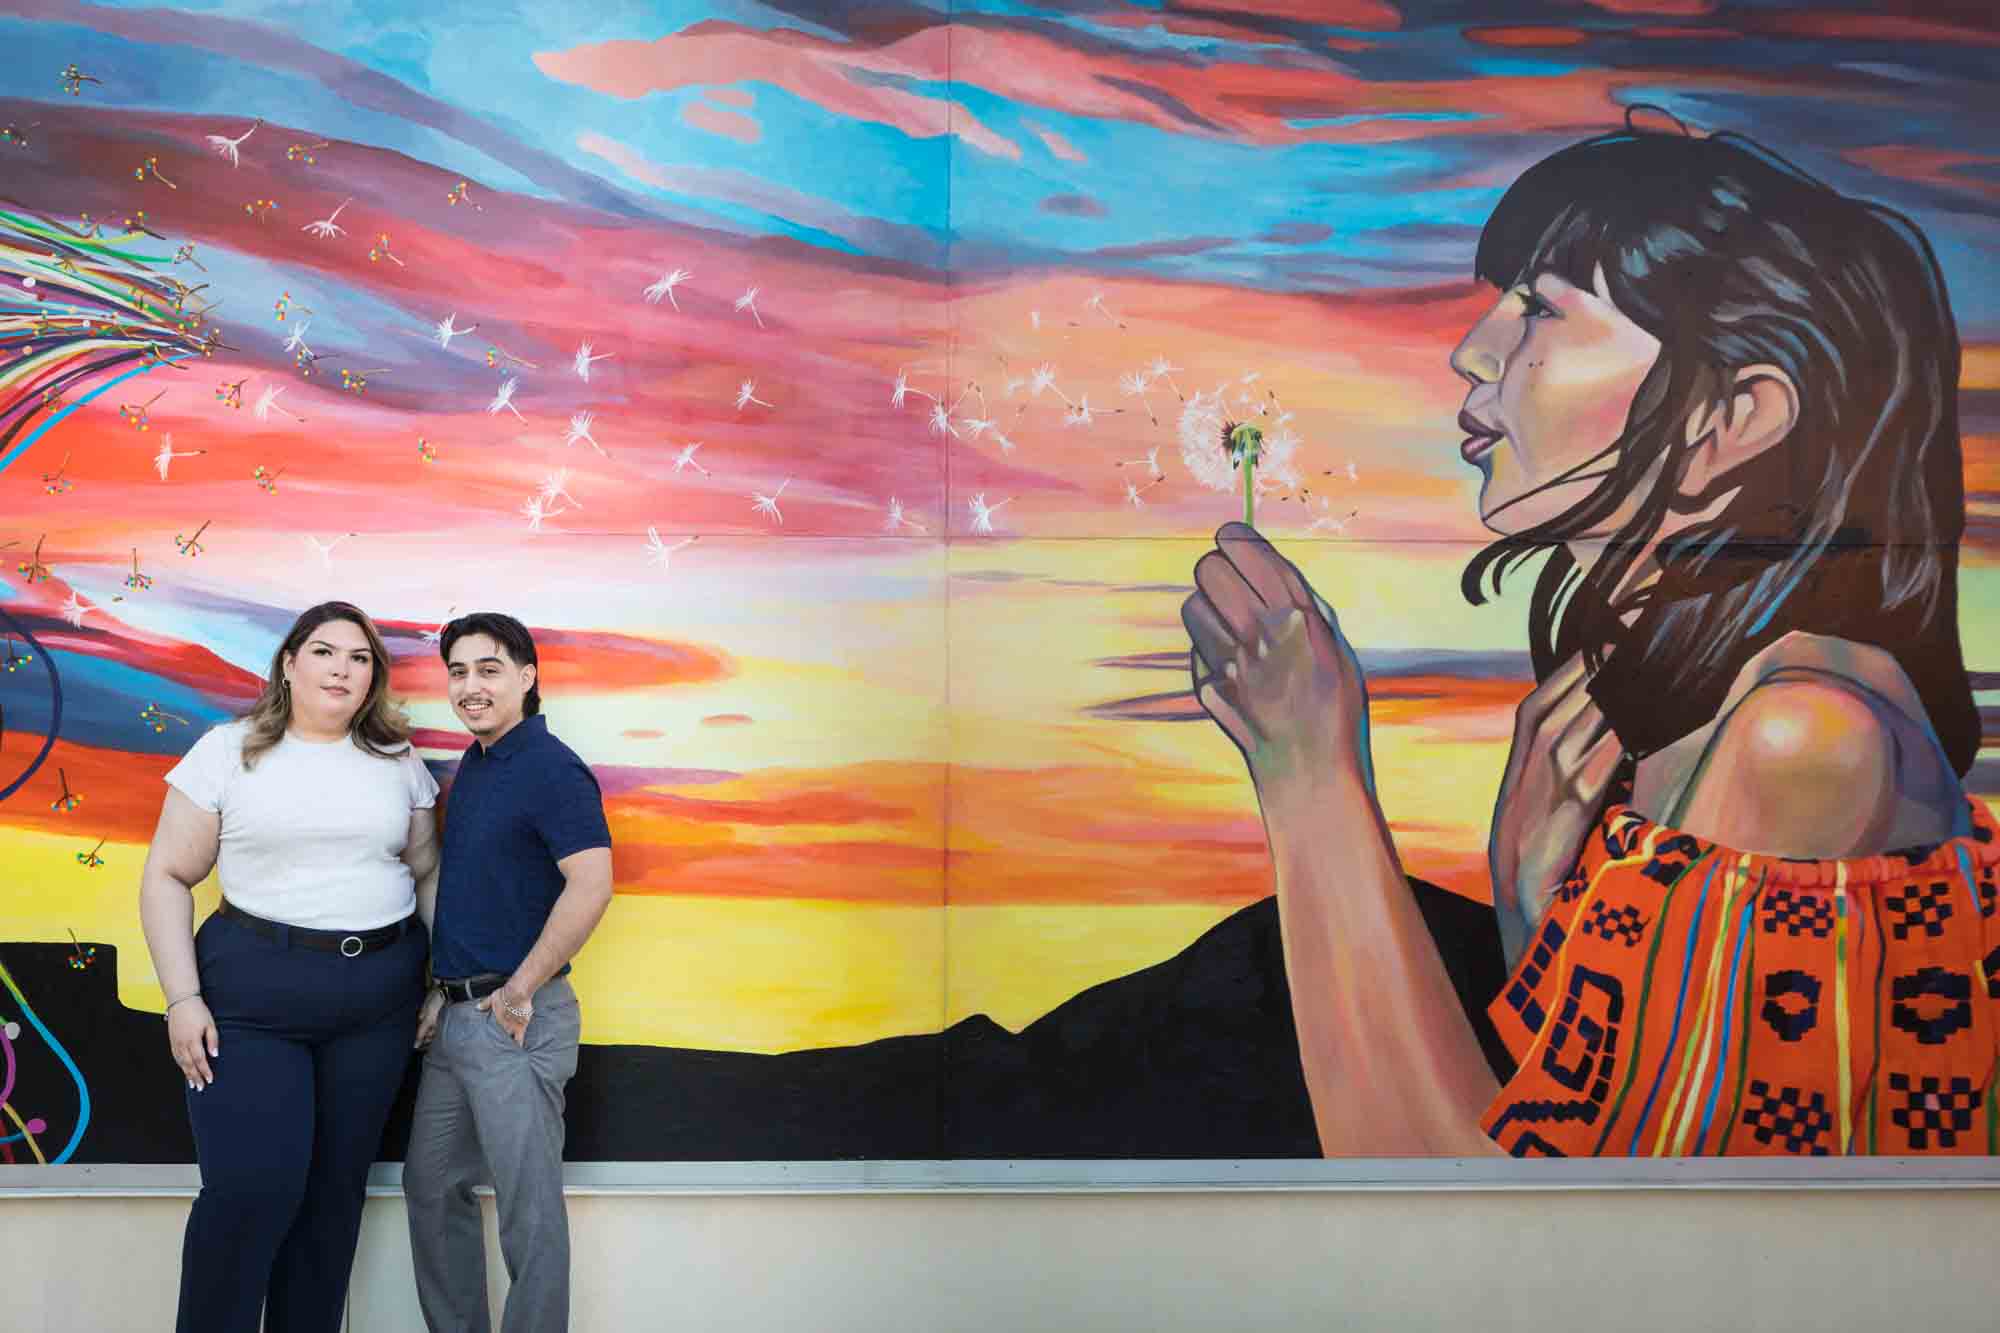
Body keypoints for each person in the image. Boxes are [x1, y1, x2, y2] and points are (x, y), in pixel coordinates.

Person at [1182, 120, 1994, 1157]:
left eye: (1538, 309)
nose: (1470, 350)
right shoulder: (1699, 718)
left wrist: (1306, 771)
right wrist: (1532, 916)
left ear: (1733, 419)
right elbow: (1589, 1144)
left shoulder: (1802, 742)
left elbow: (1512, 1246)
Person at [138, 601, 439, 1331]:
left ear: (373, 677)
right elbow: (167, 875)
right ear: (289, 663)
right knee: (252, 1191)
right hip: (250, 998)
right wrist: (182, 998)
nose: (343, 667)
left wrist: (438, 983)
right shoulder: (227, 749)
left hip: (376, 1006)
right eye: (326, 651)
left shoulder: (399, 763)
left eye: (360, 657)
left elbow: (428, 872)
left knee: (331, 1202)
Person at [404, 612, 614, 1333]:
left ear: (526, 677)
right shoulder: (478, 764)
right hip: (457, 1022)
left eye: (488, 669)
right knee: (430, 1187)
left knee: (528, 1215)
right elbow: (477, 891)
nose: (469, 686)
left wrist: (519, 987)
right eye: (457, 671)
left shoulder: (552, 768)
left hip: (517, 1020)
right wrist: (441, 985)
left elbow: (591, 882)